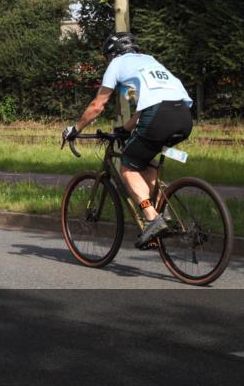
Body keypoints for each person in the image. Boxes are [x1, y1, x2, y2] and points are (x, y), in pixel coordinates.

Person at [62, 33, 193, 249]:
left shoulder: (117, 64)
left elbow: (97, 105)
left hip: (159, 115)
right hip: (184, 116)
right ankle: (163, 212)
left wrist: (74, 130)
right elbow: (144, 107)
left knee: (127, 168)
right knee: (146, 162)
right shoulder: (150, 60)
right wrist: (124, 129)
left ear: (112, 54)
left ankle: (152, 219)